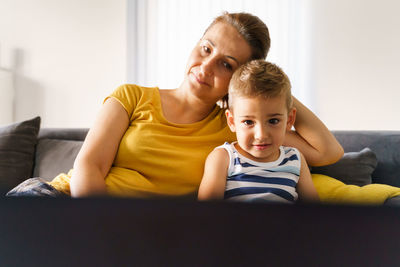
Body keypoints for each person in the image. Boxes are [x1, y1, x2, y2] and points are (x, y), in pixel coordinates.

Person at [7, 12, 343, 198]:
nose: (206, 67)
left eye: (227, 65)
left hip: (142, 235)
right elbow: (88, 169)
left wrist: (260, 85)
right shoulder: (131, 96)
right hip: (62, 202)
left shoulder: (235, 130)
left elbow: (327, 151)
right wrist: (103, 230)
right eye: (206, 48)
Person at [198, 59, 319, 203]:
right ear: (232, 121)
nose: (261, 135)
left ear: (289, 120)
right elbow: (206, 215)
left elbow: (315, 215)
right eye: (248, 122)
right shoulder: (224, 158)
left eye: (273, 121)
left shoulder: (295, 159)